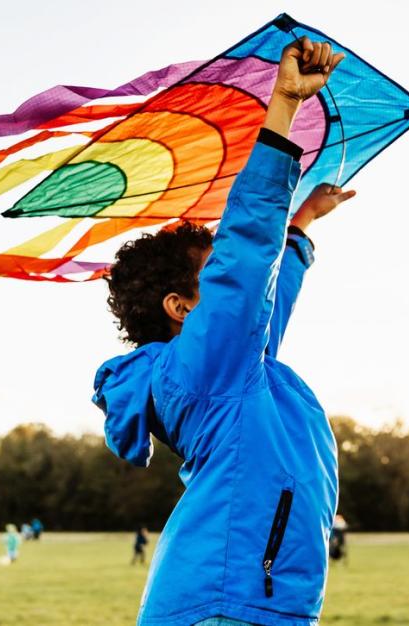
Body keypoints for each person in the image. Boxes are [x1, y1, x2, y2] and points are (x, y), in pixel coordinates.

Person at [93, 37, 350, 625]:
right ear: (182, 307)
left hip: (247, 598)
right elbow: (246, 259)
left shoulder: (232, 367)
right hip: (225, 600)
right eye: (216, 270)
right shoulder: (205, 368)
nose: (238, 280)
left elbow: (264, 294)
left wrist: (304, 222)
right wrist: (283, 105)